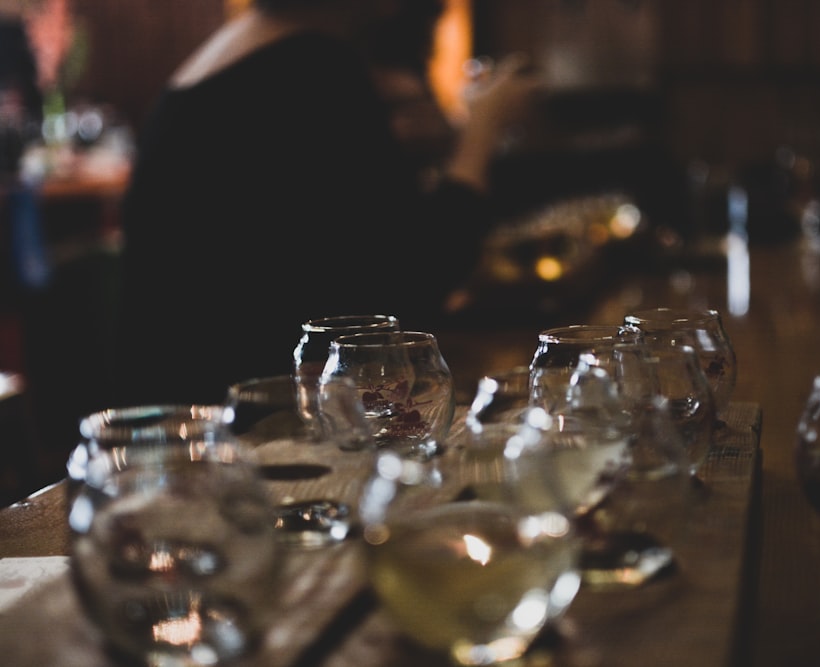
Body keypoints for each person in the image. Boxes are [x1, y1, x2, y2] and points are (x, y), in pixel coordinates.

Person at [113, 0, 539, 406]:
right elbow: (410, 279)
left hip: (183, 402)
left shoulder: (233, 55)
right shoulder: (312, 65)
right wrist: (482, 131)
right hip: (246, 425)